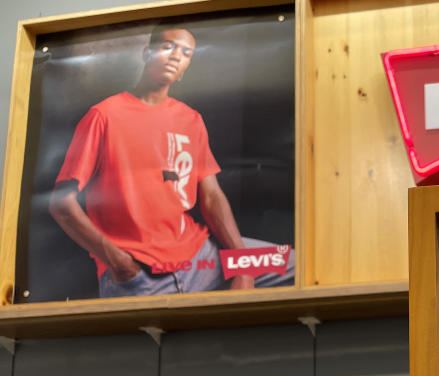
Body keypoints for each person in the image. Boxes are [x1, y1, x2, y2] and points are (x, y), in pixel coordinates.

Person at [48, 20, 294, 298]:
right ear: (146, 53)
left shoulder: (190, 119)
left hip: (203, 259)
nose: (176, 56)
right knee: (176, 341)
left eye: (186, 53)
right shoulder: (103, 116)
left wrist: (242, 265)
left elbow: (211, 196)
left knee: (297, 265)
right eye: (168, 47)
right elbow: (61, 203)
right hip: (139, 275)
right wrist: (117, 261)